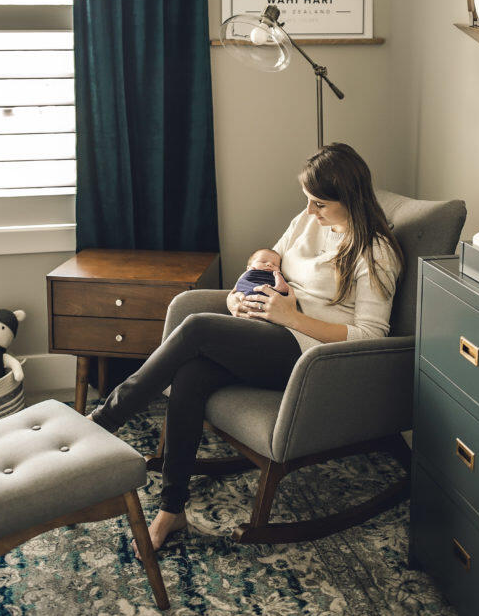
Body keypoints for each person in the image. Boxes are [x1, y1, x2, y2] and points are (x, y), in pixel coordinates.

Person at [88, 142, 403, 559]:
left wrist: (291, 318)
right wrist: (239, 298)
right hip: (269, 331)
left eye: (320, 204)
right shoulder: (308, 222)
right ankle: (171, 508)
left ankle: (102, 423)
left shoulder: (375, 252)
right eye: (308, 201)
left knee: (198, 327)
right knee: (191, 376)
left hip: (309, 356)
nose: (310, 212)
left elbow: (371, 336)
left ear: (351, 198)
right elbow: (267, 267)